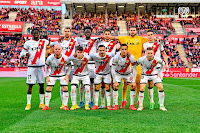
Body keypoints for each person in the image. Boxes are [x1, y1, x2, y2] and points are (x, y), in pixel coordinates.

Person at [110, 26, 148, 108]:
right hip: (126, 63)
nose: (132, 31)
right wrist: (107, 36)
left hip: (136, 63)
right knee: (125, 83)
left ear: (136, 31)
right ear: (129, 31)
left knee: (136, 82)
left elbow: (150, 40)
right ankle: (124, 100)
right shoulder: (124, 38)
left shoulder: (141, 39)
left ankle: (138, 100)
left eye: (134, 30)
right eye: (131, 30)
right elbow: (115, 37)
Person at [20, 28, 54, 110]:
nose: (36, 34)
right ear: (32, 34)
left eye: (37, 33)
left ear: (39, 34)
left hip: (41, 67)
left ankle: (41, 103)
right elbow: (21, 54)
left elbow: (53, 44)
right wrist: (25, 54)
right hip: (31, 67)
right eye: (34, 33)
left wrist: (60, 41)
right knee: (30, 85)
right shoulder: (28, 43)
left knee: (41, 84)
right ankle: (28, 104)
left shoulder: (44, 41)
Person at [143, 30, 169, 109]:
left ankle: (161, 104)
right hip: (149, 67)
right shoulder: (144, 45)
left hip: (158, 67)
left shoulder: (159, 44)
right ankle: (151, 101)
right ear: (146, 36)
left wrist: (166, 63)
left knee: (160, 85)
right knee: (150, 84)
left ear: (154, 35)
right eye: (148, 35)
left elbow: (164, 54)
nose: (150, 36)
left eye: (151, 34)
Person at [96, 29, 120, 108]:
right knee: (103, 84)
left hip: (112, 64)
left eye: (108, 34)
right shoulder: (100, 43)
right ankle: (103, 103)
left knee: (113, 83)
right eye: (105, 34)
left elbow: (119, 49)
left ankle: (115, 103)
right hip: (103, 64)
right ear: (104, 34)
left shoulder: (115, 43)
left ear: (110, 35)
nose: (107, 35)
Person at [56, 27, 79, 109]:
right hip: (62, 66)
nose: (66, 33)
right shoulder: (60, 41)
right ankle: (63, 103)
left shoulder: (75, 41)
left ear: (70, 32)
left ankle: (74, 103)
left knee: (74, 85)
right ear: (63, 32)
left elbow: (79, 49)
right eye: (65, 31)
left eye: (68, 31)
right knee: (62, 85)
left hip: (72, 65)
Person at [42, 45, 71, 110]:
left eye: (59, 49)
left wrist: (67, 75)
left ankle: (65, 105)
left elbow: (70, 66)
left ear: (61, 50)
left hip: (62, 75)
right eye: (56, 49)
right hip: (52, 75)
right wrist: (47, 76)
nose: (57, 50)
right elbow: (46, 67)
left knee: (65, 88)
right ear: (53, 50)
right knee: (48, 88)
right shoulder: (50, 58)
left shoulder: (65, 58)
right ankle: (46, 105)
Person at [76, 27, 97, 108]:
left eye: (89, 31)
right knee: (82, 84)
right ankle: (81, 101)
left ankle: (91, 101)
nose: (87, 33)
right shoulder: (79, 40)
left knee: (91, 84)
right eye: (86, 31)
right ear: (84, 32)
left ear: (91, 32)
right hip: (83, 64)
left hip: (92, 64)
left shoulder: (95, 41)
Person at [111, 44, 137, 110]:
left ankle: (132, 105)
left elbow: (134, 68)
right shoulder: (116, 56)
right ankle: (116, 105)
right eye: (122, 49)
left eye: (125, 49)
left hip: (128, 74)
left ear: (127, 50)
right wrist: (115, 81)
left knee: (133, 86)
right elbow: (113, 68)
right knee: (115, 86)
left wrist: (133, 80)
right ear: (120, 50)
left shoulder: (131, 57)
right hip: (118, 73)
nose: (124, 51)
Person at [89, 45, 115, 110]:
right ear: (98, 51)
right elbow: (88, 56)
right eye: (100, 50)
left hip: (107, 74)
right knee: (96, 88)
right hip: (98, 74)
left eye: (103, 50)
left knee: (107, 88)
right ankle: (96, 105)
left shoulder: (109, 55)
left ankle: (108, 105)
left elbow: (115, 55)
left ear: (105, 50)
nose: (102, 52)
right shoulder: (94, 55)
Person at [69, 46, 91, 110]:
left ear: (83, 53)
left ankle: (87, 105)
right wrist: (72, 55)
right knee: (73, 88)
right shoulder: (73, 58)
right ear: (76, 52)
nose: (79, 54)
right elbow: (67, 59)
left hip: (85, 75)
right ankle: (74, 104)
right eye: (78, 52)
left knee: (87, 88)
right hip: (76, 75)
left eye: (81, 52)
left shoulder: (87, 58)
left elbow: (93, 57)